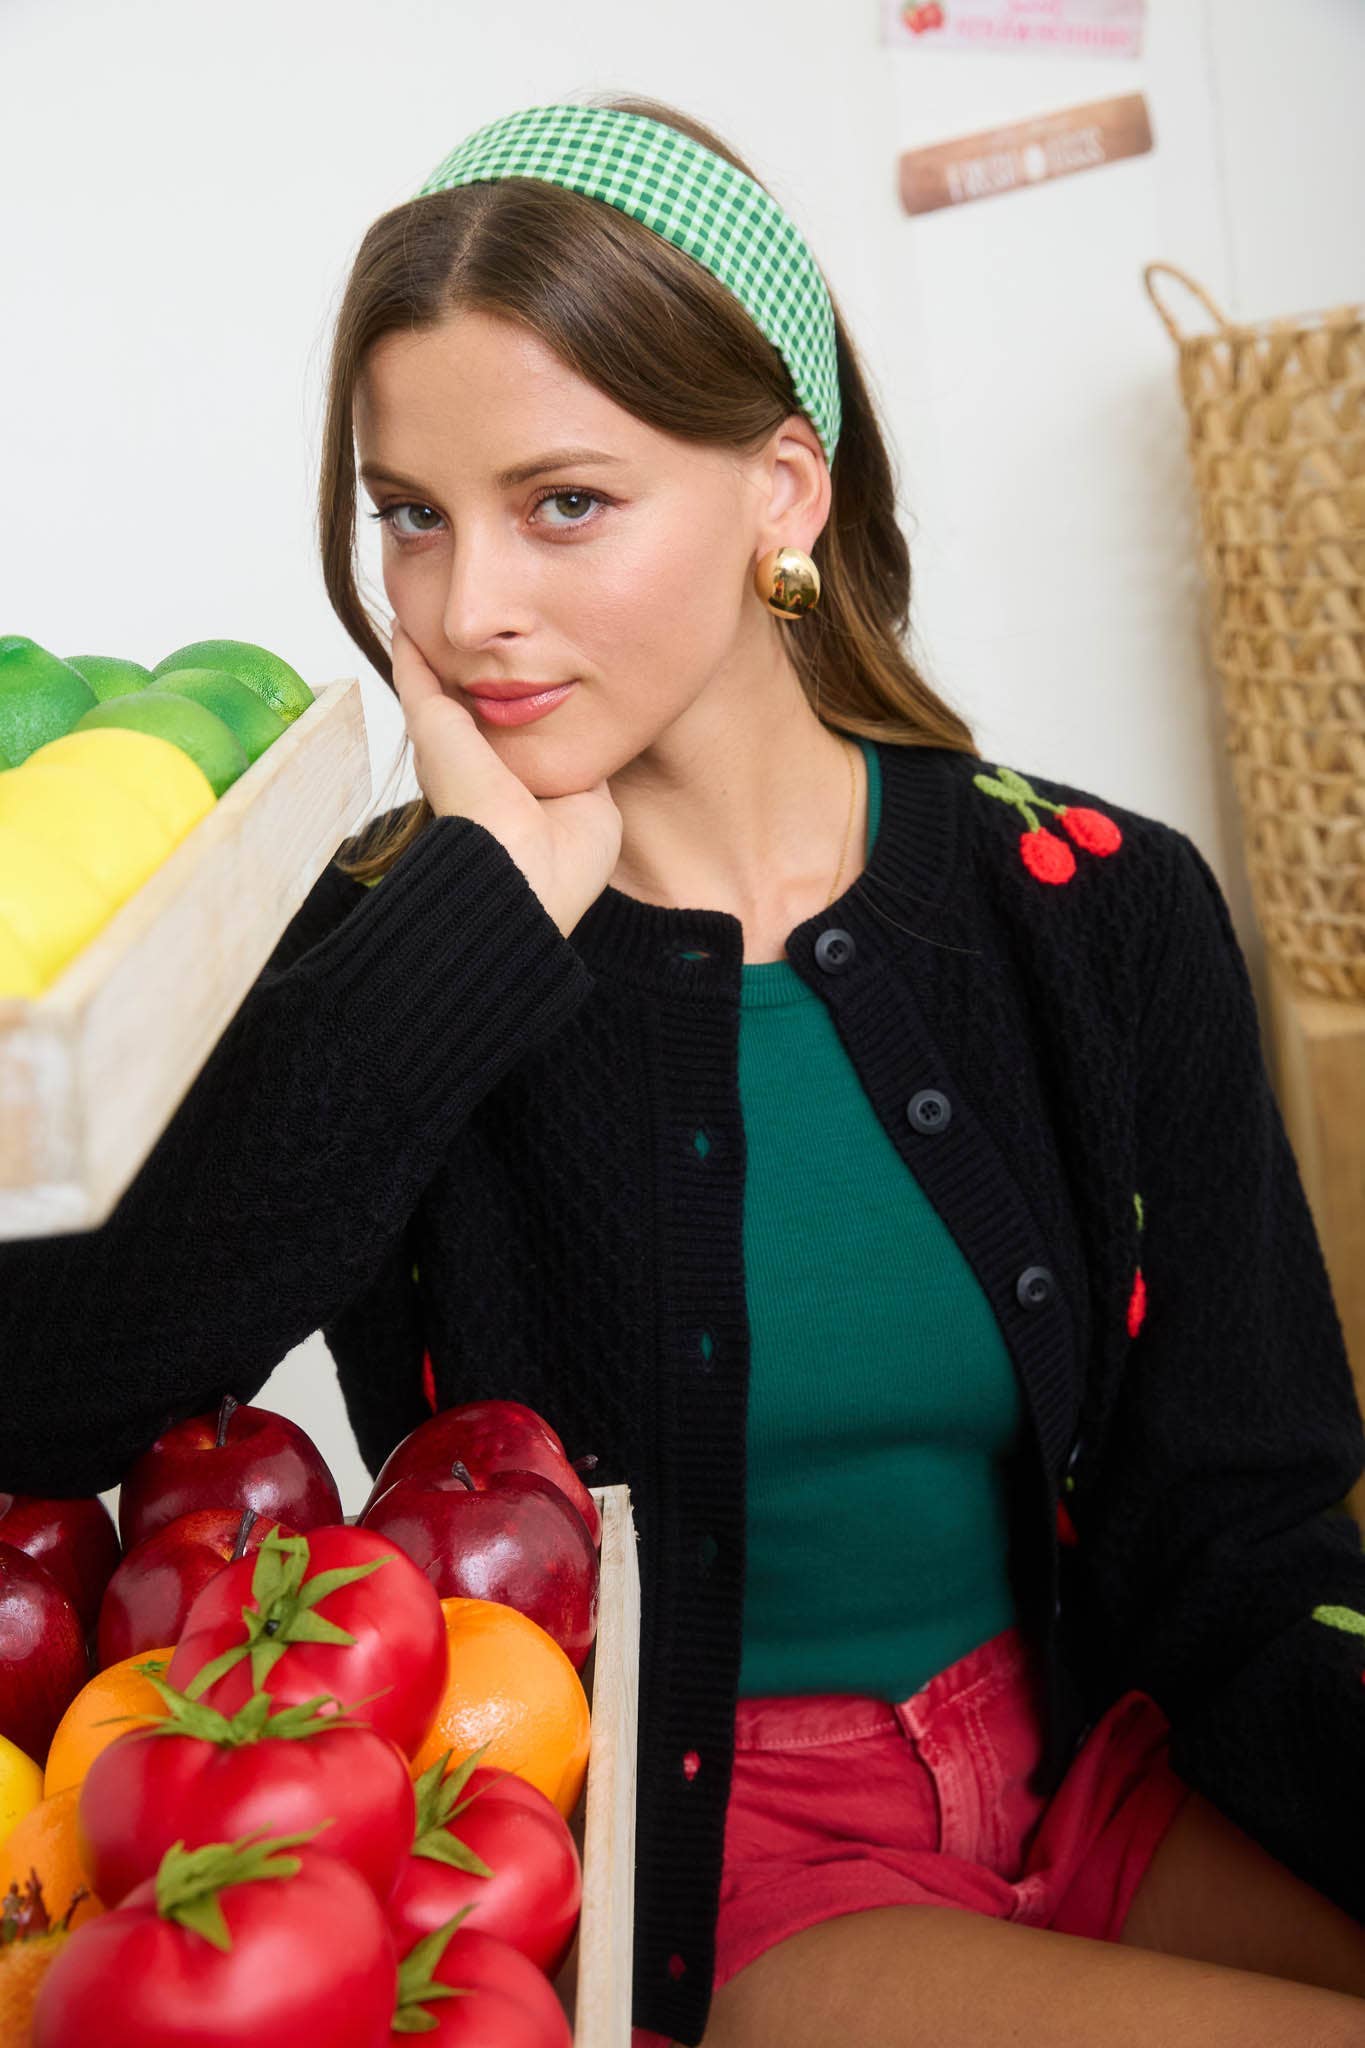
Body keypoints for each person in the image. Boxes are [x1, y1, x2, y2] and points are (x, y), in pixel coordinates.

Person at [4, 91, 1365, 2048]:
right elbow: (46, 1385)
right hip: (720, 1868)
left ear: (778, 492)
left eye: (562, 501)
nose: (462, 610)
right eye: (410, 512)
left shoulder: (1097, 912)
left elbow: (1244, 1536)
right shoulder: (394, 960)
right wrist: (480, 912)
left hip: (1103, 1767)